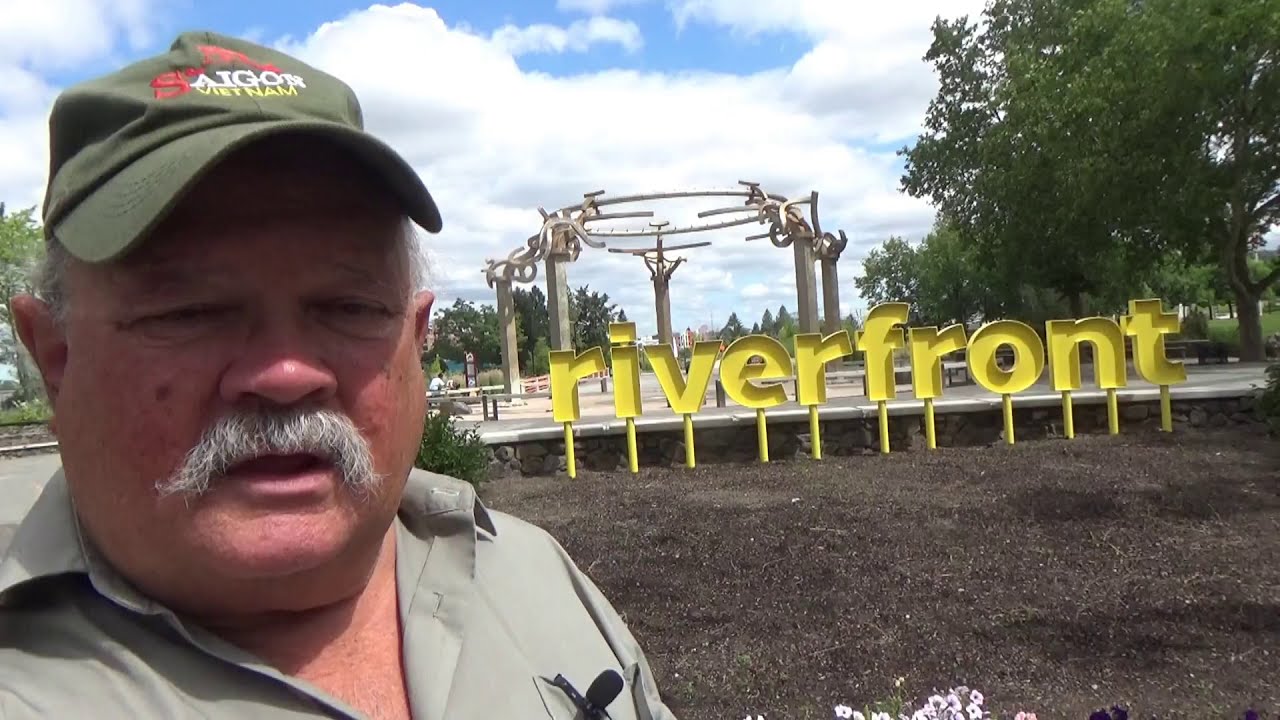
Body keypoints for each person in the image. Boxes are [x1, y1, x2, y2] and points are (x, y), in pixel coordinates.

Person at [0, 31, 676, 720]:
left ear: (413, 342)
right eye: (192, 312)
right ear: (54, 357)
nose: (286, 373)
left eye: (348, 308)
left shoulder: (533, 574)